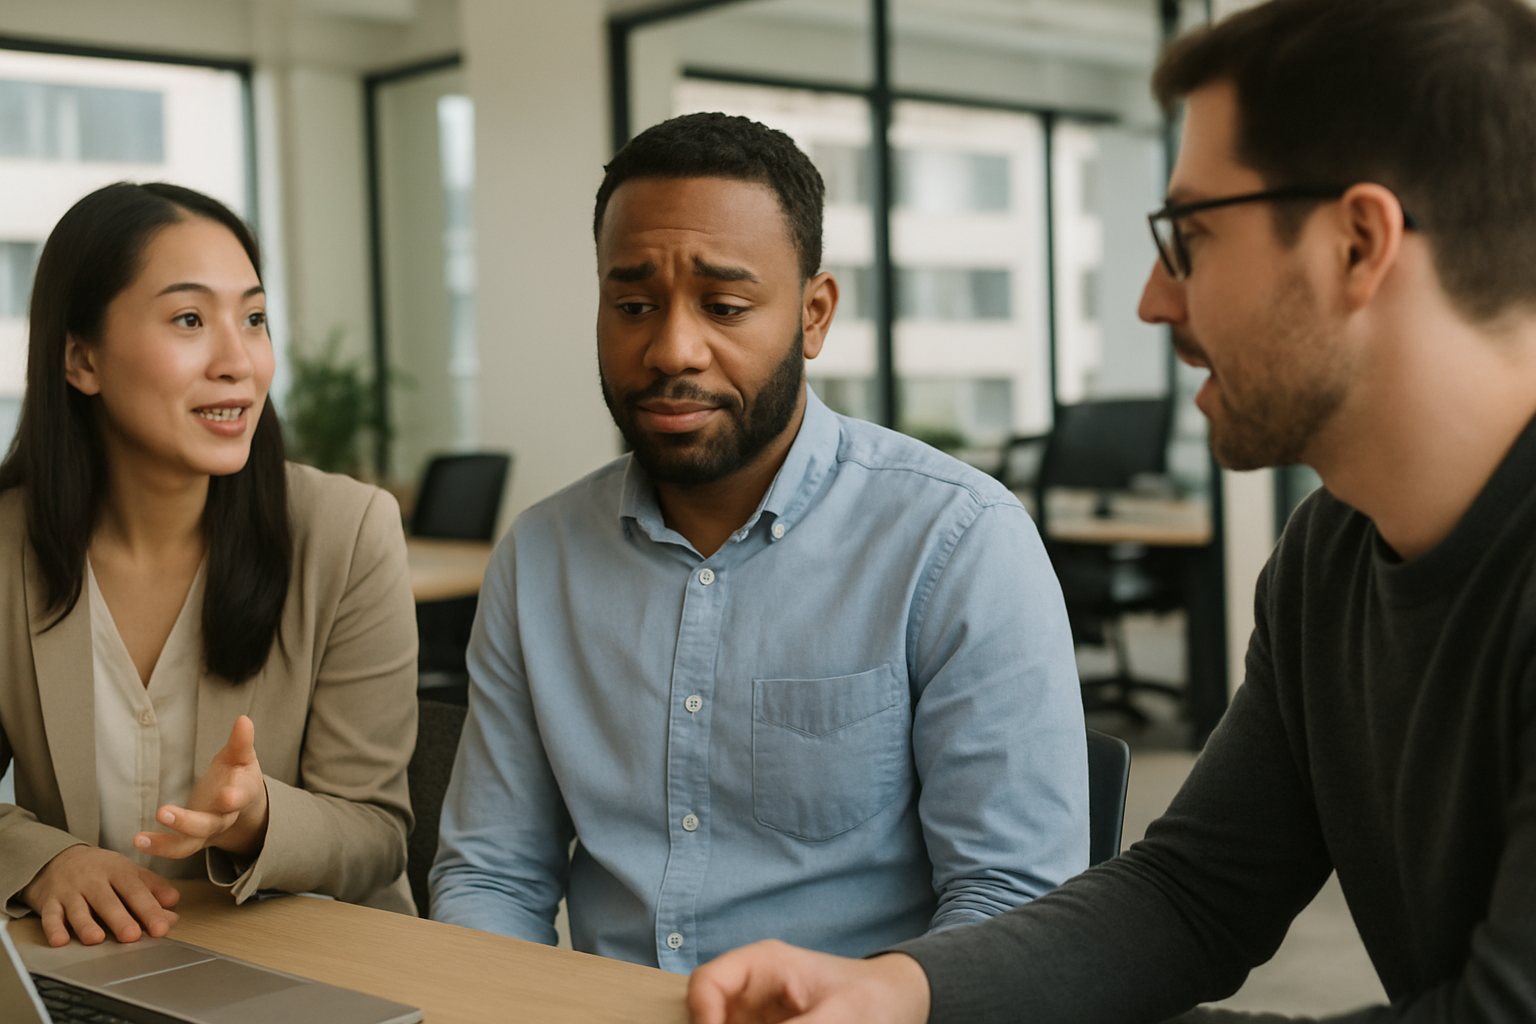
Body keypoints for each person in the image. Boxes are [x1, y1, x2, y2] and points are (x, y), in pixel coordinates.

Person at [687, 0, 1536, 1020]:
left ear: (1358, 243)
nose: (1153, 299)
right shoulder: (1331, 556)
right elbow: (1190, 896)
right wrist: (901, 991)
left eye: (1191, 237)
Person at [429, 112, 1088, 972]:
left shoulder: (956, 543)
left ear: (814, 316)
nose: (672, 348)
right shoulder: (540, 557)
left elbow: (1014, 902)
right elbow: (493, 875)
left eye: (726, 307)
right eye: (632, 305)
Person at [0, 181, 419, 948]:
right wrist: (42, 859)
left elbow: (377, 835)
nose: (239, 362)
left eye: (254, 319)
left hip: (310, 966)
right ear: (80, 358)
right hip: (92, 964)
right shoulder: (7, 544)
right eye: (190, 319)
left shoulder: (348, 531)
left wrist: (257, 816)